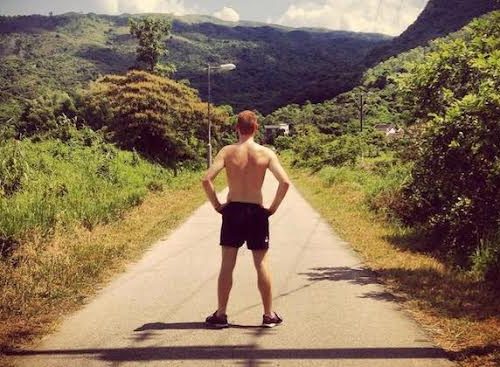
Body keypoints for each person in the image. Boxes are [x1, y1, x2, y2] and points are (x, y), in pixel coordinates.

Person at [202, 110, 290, 328]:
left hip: (232, 212)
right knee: (261, 264)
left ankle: (221, 315)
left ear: (236, 128)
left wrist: (217, 205)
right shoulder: (266, 153)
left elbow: (206, 179)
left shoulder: (227, 151)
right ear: (256, 128)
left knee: (227, 265)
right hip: (256, 212)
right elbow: (285, 182)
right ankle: (268, 315)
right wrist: (271, 209)